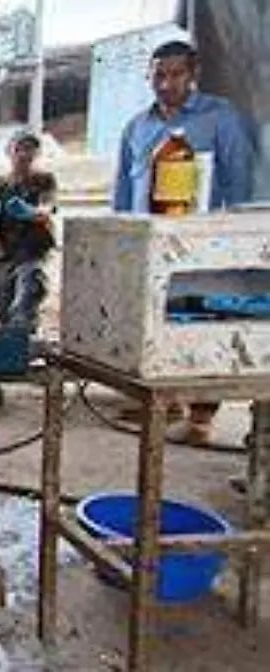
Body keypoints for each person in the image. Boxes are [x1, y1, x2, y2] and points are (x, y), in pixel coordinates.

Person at [112, 40, 258, 445]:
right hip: (151, 245)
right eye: (158, 74)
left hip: (202, 244)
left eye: (175, 74)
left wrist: (231, 241)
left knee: (203, 322)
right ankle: (165, 404)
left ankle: (200, 419)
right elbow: (123, 192)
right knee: (155, 323)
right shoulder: (137, 126)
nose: (166, 83)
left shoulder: (220, 118)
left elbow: (239, 183)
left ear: (193, 75)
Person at [0, 129, 58, 334]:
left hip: (32, 250)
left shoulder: (44, 181)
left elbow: (47, 208)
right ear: (9, 152)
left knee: (28, 292)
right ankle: (9, 338)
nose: (24, 154)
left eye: (30, 150)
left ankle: (24, 338)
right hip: (2, 252)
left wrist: (30, 212)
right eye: (19, 149)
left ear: (37, 154)